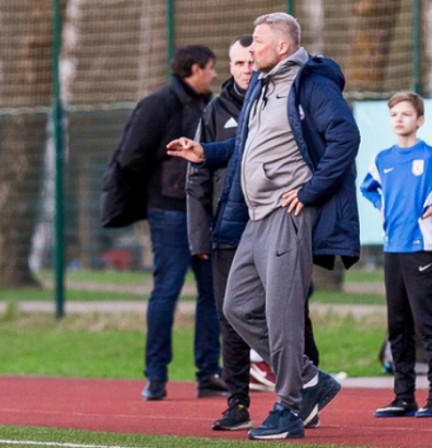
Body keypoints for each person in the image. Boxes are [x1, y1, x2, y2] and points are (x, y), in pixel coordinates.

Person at [167, 12, 361, 440]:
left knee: (283, 315)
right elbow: (246, 145)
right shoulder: (262, 85)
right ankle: (311, 379)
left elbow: (345, 137)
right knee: (236, 306)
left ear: (283, 47)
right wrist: (206, 153)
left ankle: (291, 407)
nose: (250, 50)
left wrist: (310, 191)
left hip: (287, 215)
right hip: (253, 217)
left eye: (257, 42)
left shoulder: (311, 84)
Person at [187, 35, 321, 431]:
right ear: (230, 67)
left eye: (251, 60)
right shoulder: (217, 110)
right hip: (232, 228)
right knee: (233, 314)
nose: (246, 68)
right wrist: (200, 236)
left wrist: (311, 191)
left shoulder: (287, 94)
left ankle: (301, 398)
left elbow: (333, 142)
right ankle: (239, 402)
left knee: (290, 315)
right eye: (238, 63)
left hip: (277, 220)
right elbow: (201, 175)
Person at [116, 44, 226, 401]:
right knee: (167, 289)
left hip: (204, 211)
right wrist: (172, 171)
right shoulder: (158, 104)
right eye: (210, 68)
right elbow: (130, 156)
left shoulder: (211, 105)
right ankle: (156, 375)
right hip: (170, 212)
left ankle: (209, 373)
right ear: (194, 69)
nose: (214, 74)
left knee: (212, 292)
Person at [360, 91, 432, 419]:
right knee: (397, 326)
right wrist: (381, 206)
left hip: (421, 250)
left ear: (420, 120)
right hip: (392, 251)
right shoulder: (382, 159)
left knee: (428, 325)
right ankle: (404, 396)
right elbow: (367, 187)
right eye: (394, 114)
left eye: (405, 114)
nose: (399, 119)